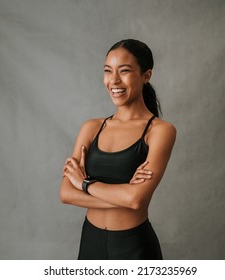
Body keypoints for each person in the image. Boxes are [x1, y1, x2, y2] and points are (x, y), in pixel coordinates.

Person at [59, 39, 176, 260]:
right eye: (107, 71)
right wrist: (122, 194)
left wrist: (84, 184)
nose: (114, 80)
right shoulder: (91, 128)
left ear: (146, 75)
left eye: (124, 71)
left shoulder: (160, 131)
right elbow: (66, 194)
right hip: (90, 243)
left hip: (134, 246)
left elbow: (136, 201)